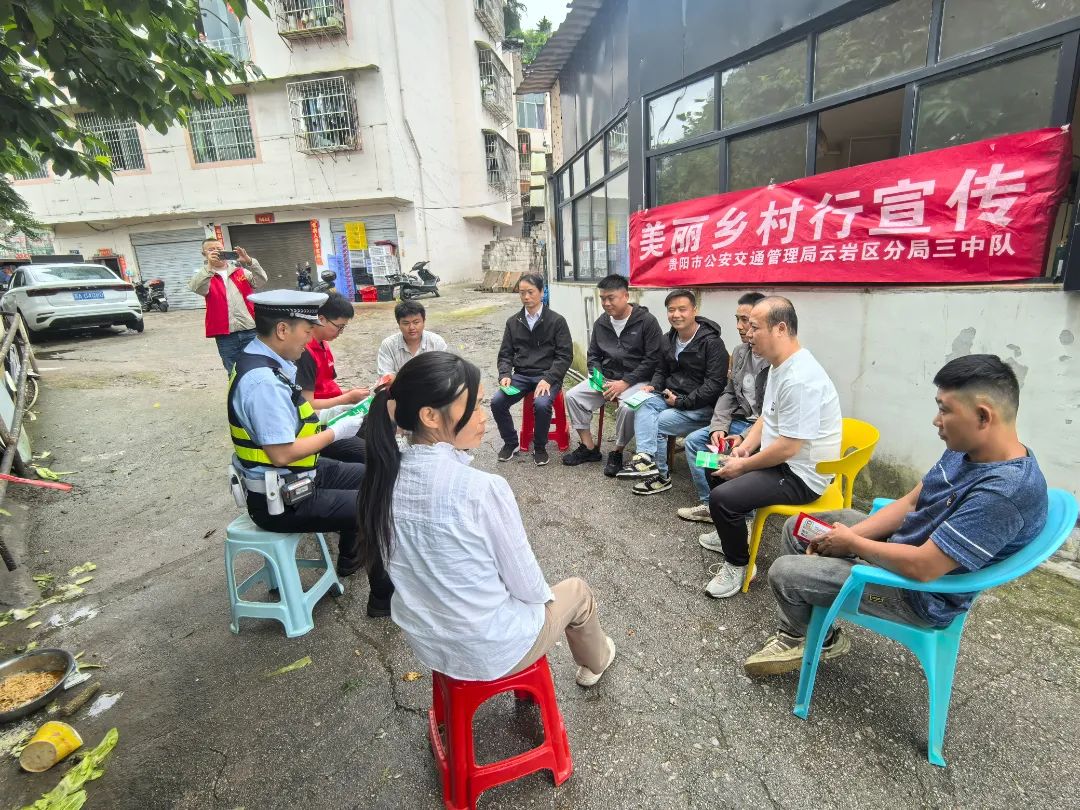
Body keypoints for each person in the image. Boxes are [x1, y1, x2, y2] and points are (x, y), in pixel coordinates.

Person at [744, 354, 1048, 676]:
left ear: (983, 416)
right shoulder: (969, 449)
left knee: (784, 572)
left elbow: (924, 567)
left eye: (945, 410)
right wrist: (847, 538)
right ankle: (815, 631)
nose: (936, 420)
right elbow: (912, 503)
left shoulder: (1004, 493)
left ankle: (802, 636)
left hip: (917, 594)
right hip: (904, 547)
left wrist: (853, 544)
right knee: (800, 528)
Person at [358, 351, 617, 685]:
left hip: (428, 645)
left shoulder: (381, 478)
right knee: (577, 591)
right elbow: (529, 587)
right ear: (430, 416)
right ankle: (596, 662)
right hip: (491, 651)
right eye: (474, 406)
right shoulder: (480, 489)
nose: (483, 418)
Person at [226, 289, 393, 617]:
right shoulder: (262, 382)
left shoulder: (266, 362)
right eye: (306, 330)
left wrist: (340, 412)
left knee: (377, 475)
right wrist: (337, 431)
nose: (309, 338)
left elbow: (298, 418)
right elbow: (281, 454)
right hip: (281, 498)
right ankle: (383, 599)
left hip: (299, 475)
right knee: (376, 505)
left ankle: (353, 556)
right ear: (282, 330)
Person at [700, 296, 841, 599]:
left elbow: (789, 448)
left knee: (723, 498)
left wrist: (743, 464)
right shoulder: (780, 365)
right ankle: (734, 533)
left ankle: (739, 565)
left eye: (754, 327)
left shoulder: (801, 378)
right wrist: (744, 445)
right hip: (783, 460)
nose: (747, 334)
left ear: (780, 328)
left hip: (801, 475)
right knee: (713, 463)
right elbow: (768, 416)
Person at [615, 289, 728, 495]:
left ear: (694, 310)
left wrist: (682, 402)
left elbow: (714, 385)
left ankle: (661, 476)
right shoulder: (668, 339)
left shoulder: (712, 343)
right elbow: (661, 370)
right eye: (671, 310)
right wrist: (654, 385)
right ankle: (646, 458)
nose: (676, 314)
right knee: (644, 402)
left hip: (702, 407)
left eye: (682, 309)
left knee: (659, 422)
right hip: (672, 398)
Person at [678, 292, 769, 523]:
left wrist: (744, 437)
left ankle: (742, 516)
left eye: (746, 320)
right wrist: (718, 426)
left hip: (765, 430)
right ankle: (710, 504)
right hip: (741, 420)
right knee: (695, 442)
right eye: (737, 319)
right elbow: (729, 392)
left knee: (734, 453)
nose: (739, 326)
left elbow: (773, 416)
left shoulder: (777, 359)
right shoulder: (740, 352)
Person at [562, 274, 663, 476]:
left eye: (611, 298)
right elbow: (593, 355)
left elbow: (652, 359)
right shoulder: (601, 322)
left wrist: (625, 382)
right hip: (607, 378)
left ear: (625, 296)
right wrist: (597, 377)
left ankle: (617, 451)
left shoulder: (647, 322)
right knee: (573, 396)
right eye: (602, 298)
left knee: (628, 407)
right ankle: (589, 448)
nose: (606, 303)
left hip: (636, 380)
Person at [492, 273, 573, 466]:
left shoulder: (556, 321)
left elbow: (564, 356)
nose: (526, 297)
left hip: (547, 376)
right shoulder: (513, 322)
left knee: (542, 404)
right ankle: (511, 442)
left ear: (542, 292)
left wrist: (550, 378)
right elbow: (505, 354)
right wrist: (505, 374)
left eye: (530, 292)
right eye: (522, 293)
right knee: (497, 402)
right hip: (521, 376)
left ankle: (540, 446)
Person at [296, 291, 370, 464]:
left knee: (383, 426)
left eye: (344, 327)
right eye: (339, 327)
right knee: (371, 453)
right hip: (321, 421)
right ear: (321, 319)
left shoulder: (324, 345)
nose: (341, 332)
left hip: (336, 410)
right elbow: (308, 405)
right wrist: (347, 398)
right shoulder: (304, 353)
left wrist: (349, 393)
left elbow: (326, 386)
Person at [190, 238, 267, 374]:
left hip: (250, 329)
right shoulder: (204, 276)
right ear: (204, 254)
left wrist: (250, 261)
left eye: (219, 249)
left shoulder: (240, 272)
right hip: (225, 336)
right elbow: (197, 288)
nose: (216, 252)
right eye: (211, 250)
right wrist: (209, 267)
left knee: (258, 367)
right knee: (233, 372)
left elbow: (261, 281)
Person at [376, 300, 448, 378]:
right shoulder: (388, 345)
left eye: (416, 322)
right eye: (406, 323)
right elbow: (385, 375)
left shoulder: (436, 342)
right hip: (399, 385)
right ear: (399, 324)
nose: (411, 327)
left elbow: (445, 371)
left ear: (423, 322)